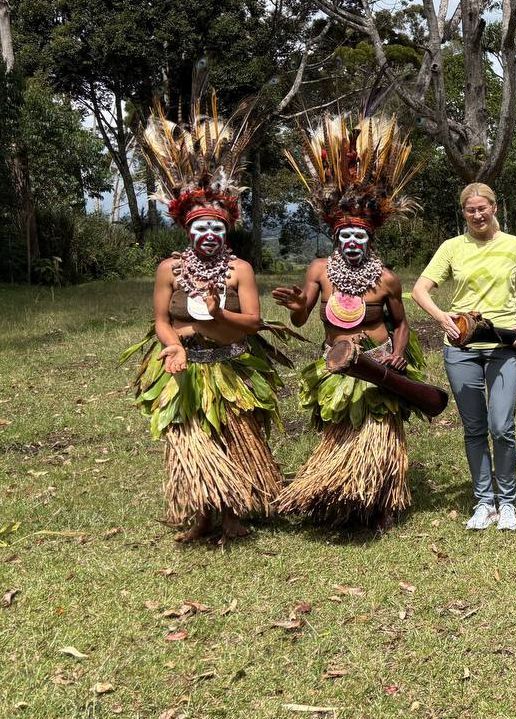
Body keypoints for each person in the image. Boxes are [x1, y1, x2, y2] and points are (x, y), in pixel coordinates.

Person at [124, 97, 294, 543]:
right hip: (185, 367)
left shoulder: (240, 270)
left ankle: (234, 513)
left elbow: (253, 323)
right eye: (200, 227)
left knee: (235, 436)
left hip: (231, 364)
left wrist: (218, 312)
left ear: (227, 229)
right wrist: (172, 345)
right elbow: (161, 320)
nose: (208, 234)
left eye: (216, 227)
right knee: (192, 436)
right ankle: (202, 514)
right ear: (187, 230)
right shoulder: (169, 269)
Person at [272, 114, 430, 531]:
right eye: (346, 235)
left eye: (360, 236)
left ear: (370, 238)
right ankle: (343, 496)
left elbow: (401, 324)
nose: (353, 242)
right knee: (342, 428)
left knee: (381, 430)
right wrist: (296, 305)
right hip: (337, 363)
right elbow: (303, 316)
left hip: (377, 362)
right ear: (336, 237)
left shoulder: (386, 279)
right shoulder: (320, 270)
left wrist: (398, 354)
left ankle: (383, 502)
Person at [412, 183, 516, 532]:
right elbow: (419, 290)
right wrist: (441, 317)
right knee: (474, 428)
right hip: (461, 348)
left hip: (505, 347)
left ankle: (508, 503)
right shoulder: (451, 248)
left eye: (482, 208)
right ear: (464, 212)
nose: (477, 215)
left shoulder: (514, 245)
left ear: (494, 208)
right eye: (470, 210)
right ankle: (484, 502)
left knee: (501, 426)